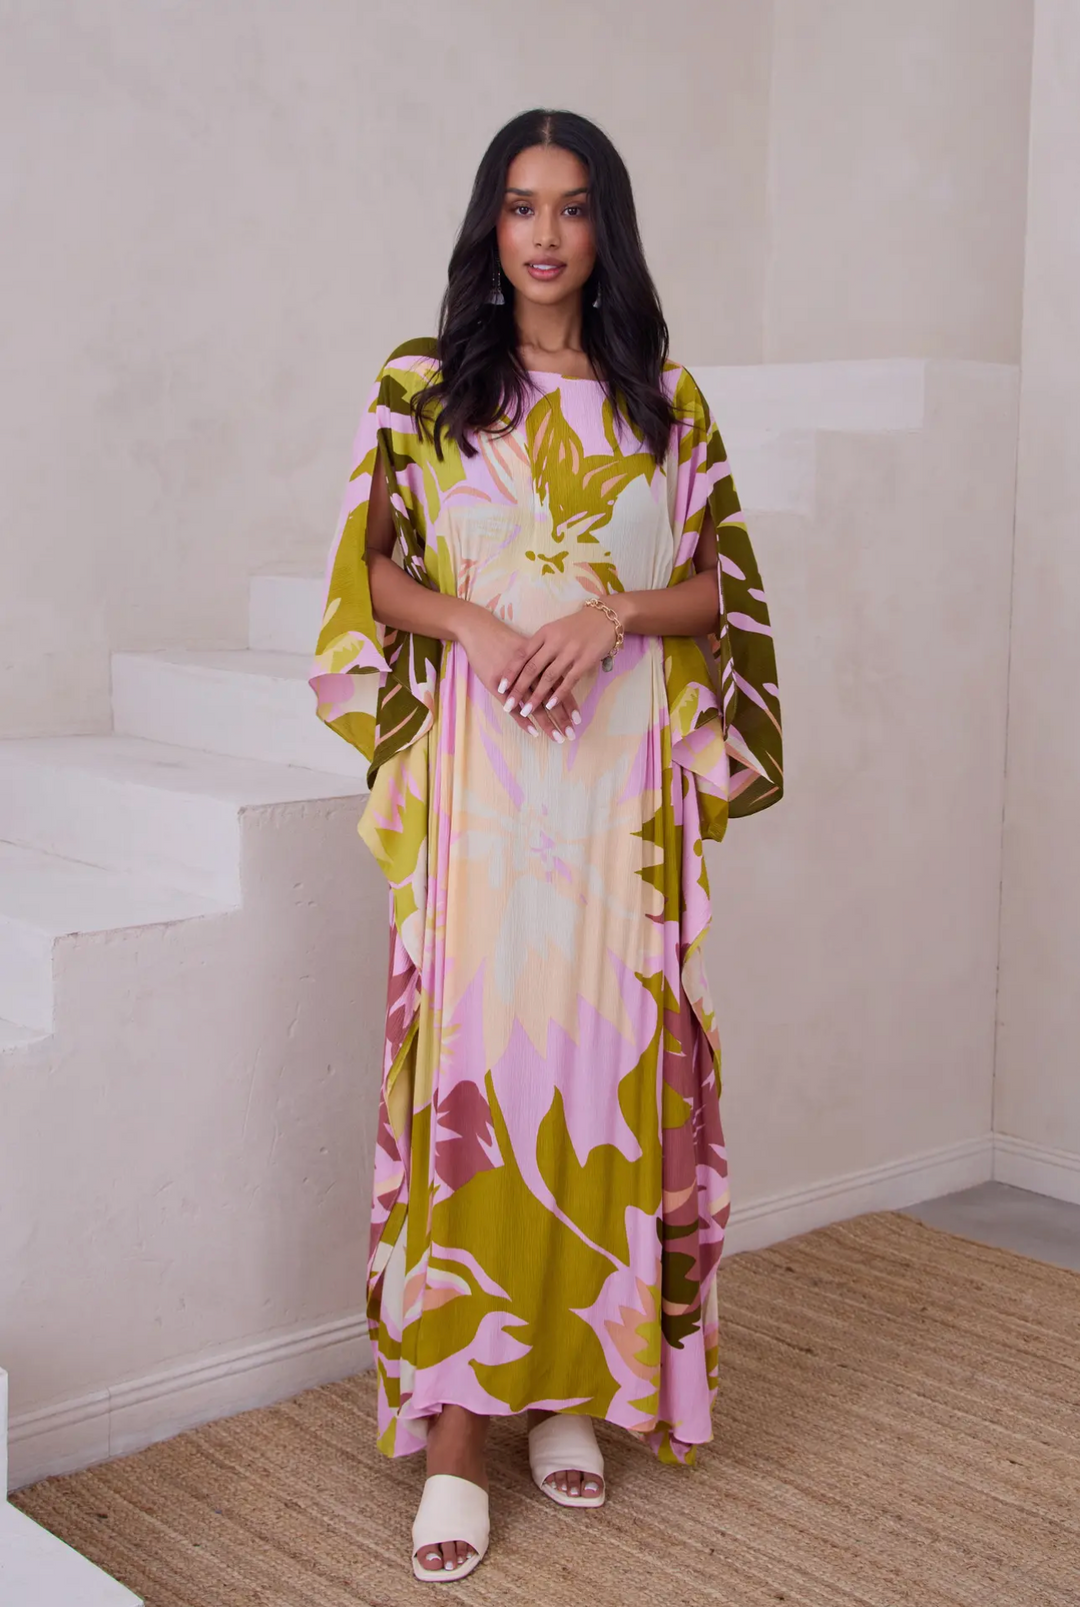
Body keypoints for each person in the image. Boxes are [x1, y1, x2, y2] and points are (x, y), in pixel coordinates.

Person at [309, 107, 783, 1584]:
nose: (546, 235)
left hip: (616, 798)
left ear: (606, 228)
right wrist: (470, 619)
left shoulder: (665, 401)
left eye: (573, 208)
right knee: (481, 1077)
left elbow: (721, 594)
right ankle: (458, 1432)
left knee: (598, 1081)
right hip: (483, 794)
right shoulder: (423, 388)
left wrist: (609, 615)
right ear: (490, 224)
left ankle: (570, 1383)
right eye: (521, 206)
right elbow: (371, 574)